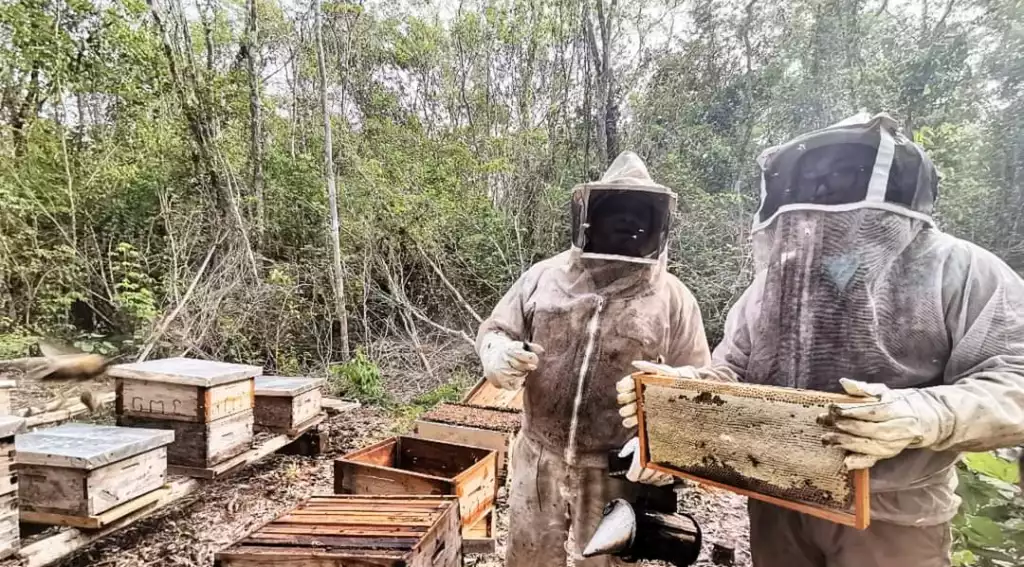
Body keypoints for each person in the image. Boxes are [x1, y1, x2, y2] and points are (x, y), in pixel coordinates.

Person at [618, 113, 1024, 567]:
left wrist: (925, 413)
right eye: (816, 178)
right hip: (775, 499)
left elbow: (1014, 379)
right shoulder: (777, 282)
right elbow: (733, 370)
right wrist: (677, 396)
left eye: (842, 174)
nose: (826, 189)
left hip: (891, 517)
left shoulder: (961, 270)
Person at [476, 151, 712, 566]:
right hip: (537, 457)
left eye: (639, 211)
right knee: (528, 557)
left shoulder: (673, 297)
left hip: (617, 472)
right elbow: (497, 330)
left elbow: (699, 386)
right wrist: (498, 353)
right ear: (589, 217)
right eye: (617, 209)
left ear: (659, 223)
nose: (627, 220)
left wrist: (666, 447)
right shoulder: (542, 278)